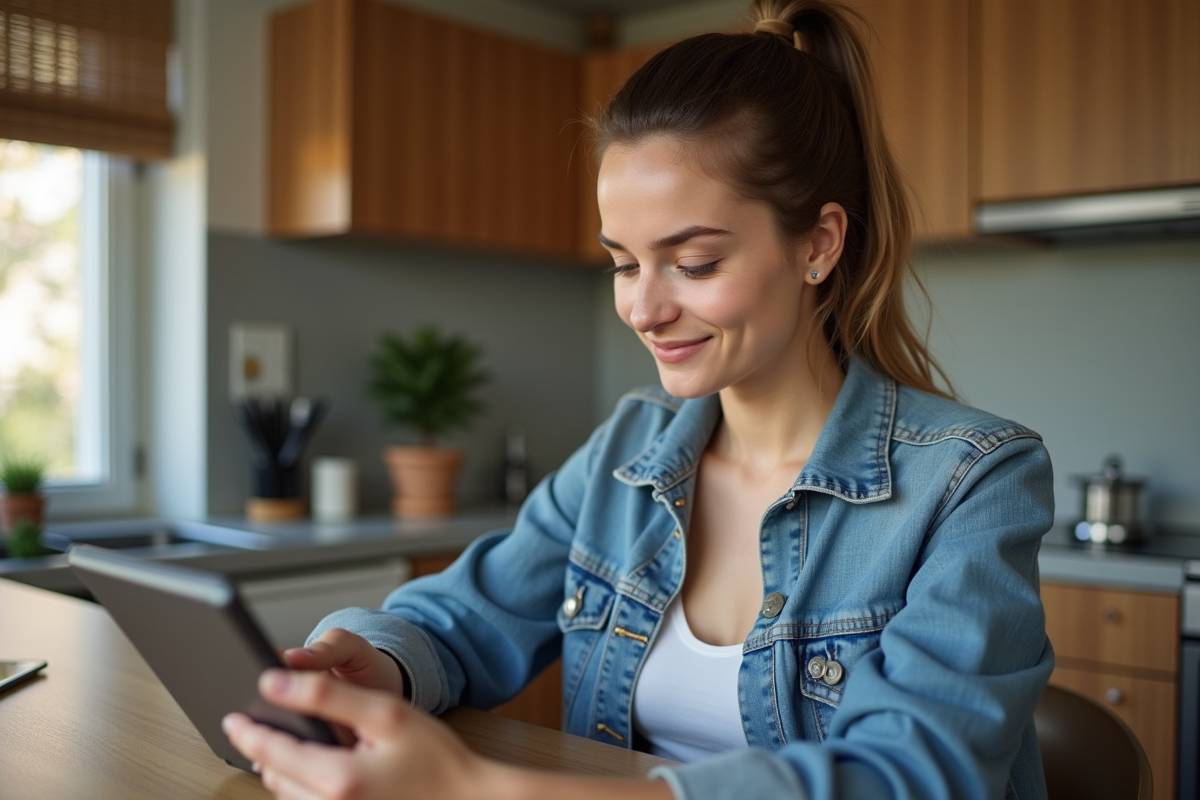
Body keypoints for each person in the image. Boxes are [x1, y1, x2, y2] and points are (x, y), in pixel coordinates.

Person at [223, 1, 1055, 798]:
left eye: (693, 263)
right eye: (624, 263)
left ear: (819, 244)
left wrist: (490, 790)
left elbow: (909, 777)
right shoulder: (632, 446)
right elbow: (463, 617)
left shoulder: (973, 480)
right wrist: (378, 661)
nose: (644, 309)